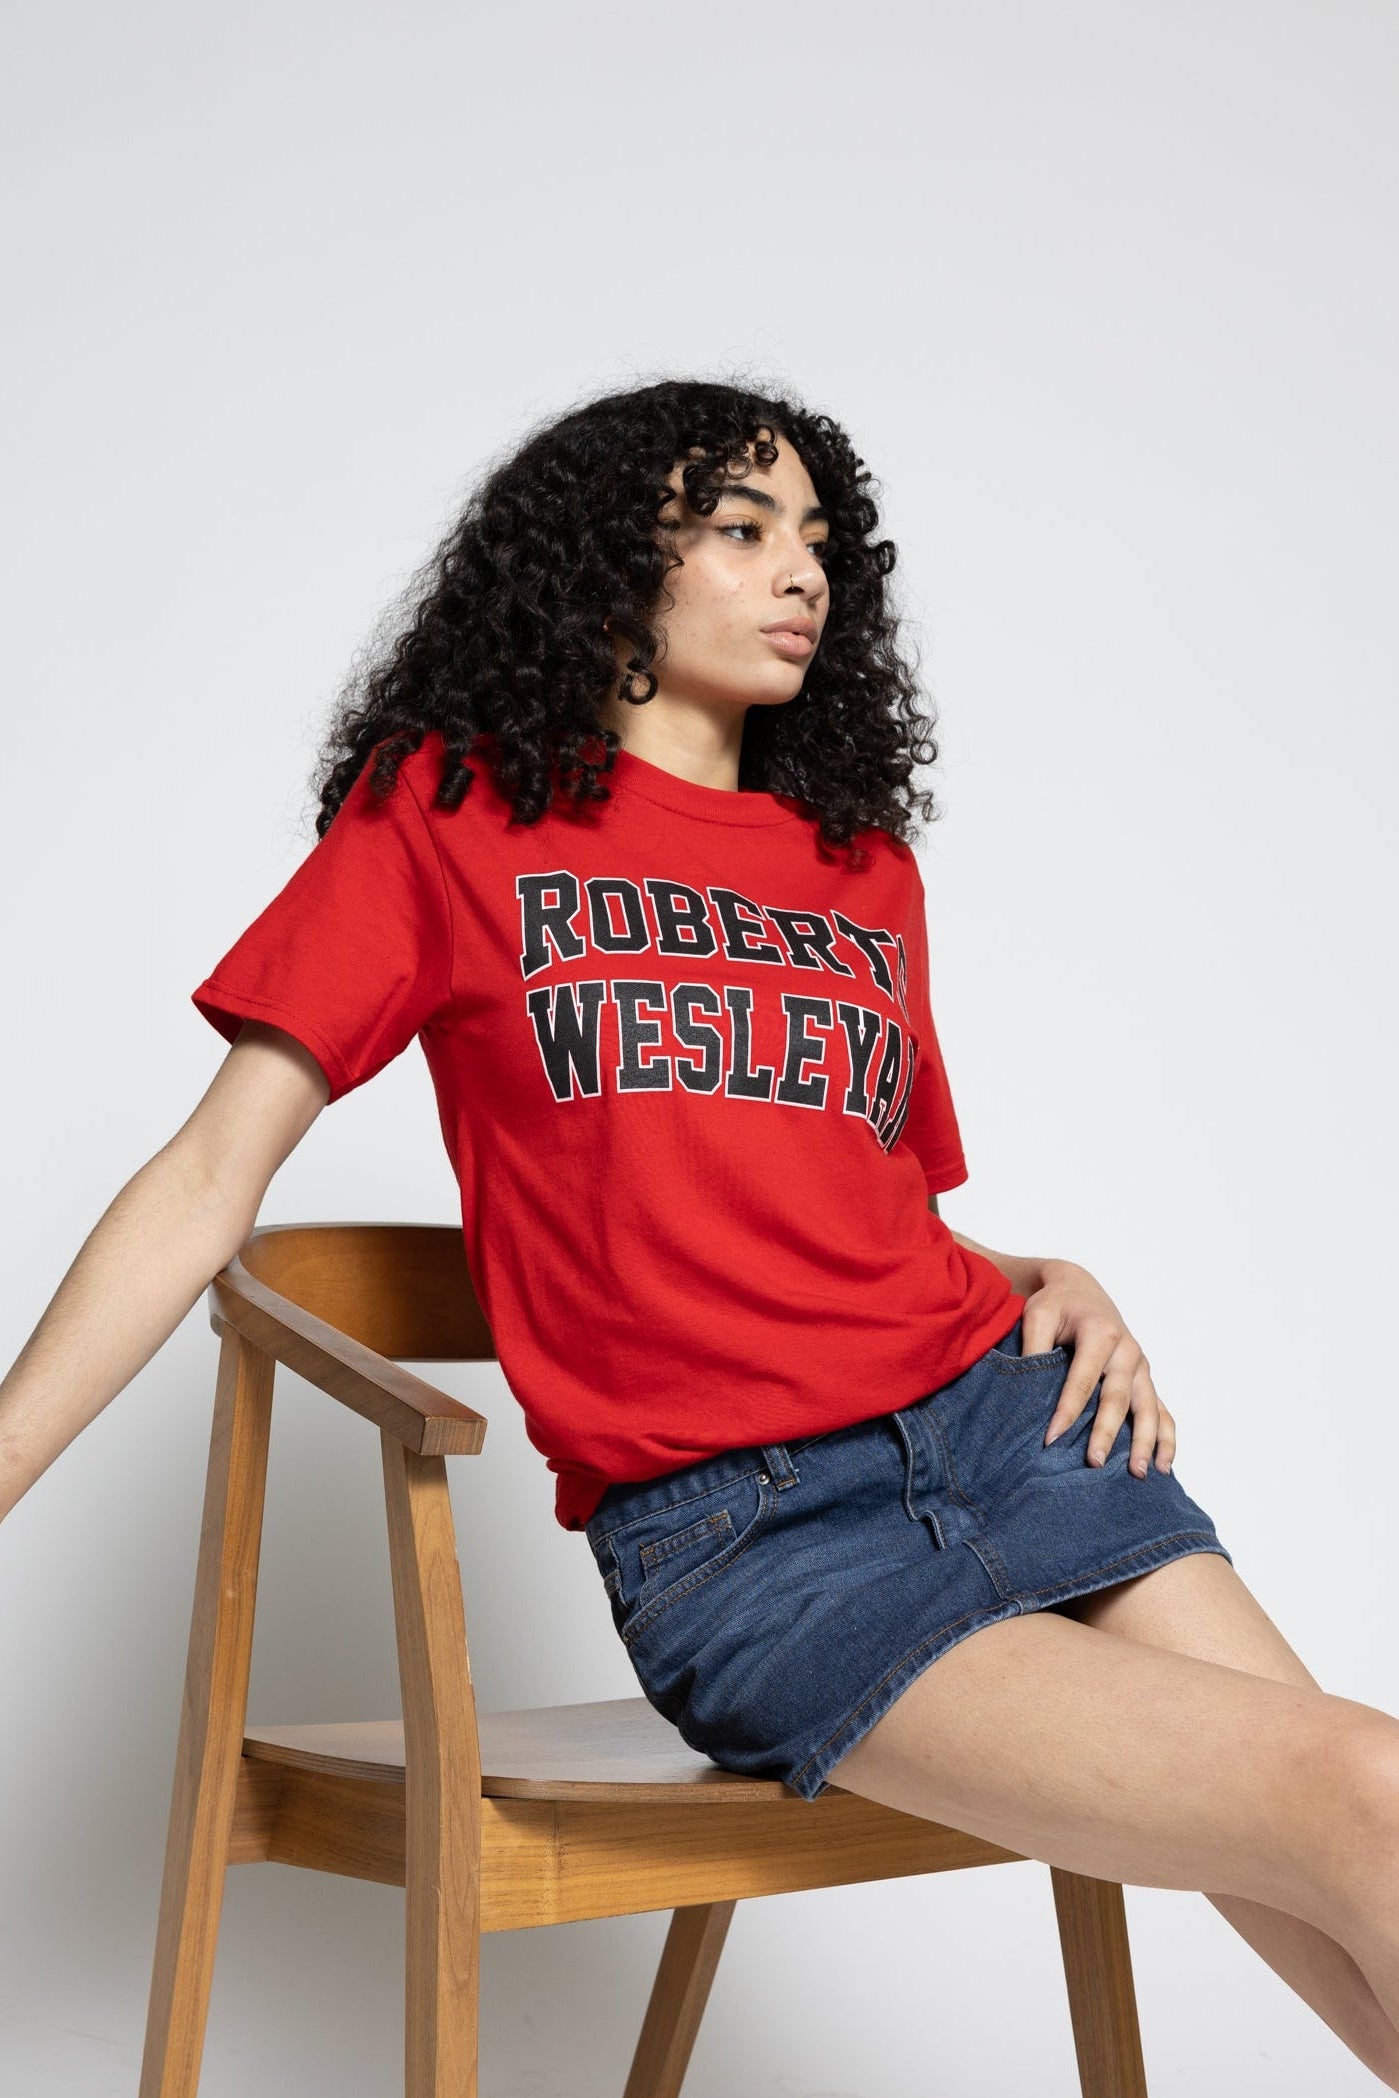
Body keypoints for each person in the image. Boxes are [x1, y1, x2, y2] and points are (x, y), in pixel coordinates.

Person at [4, 376, 1399, 2085]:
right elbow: (209, 1177)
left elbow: (852, 1220)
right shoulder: (449, 814)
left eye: (817, 538)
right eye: (741, 531)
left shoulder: (856, 863)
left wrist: (1053, 1275)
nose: (798, 570)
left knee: (1361, 1830)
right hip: (752, 1544)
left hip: (1009, 1431)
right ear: (610, 571)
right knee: (1359, 1794)